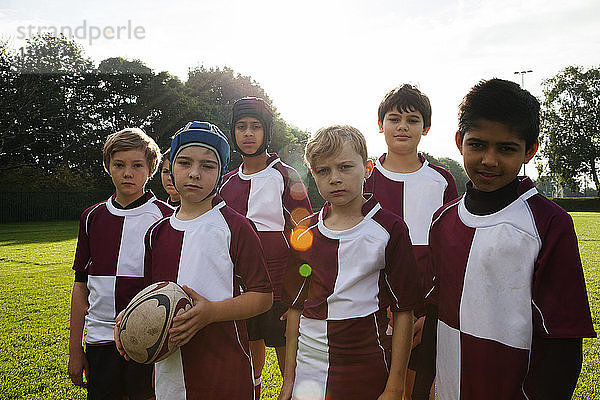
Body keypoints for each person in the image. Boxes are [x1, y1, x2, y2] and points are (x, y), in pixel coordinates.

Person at [429, 78, 596, 400]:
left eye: (506, 148)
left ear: (530, 151)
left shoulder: (549, 225)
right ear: (459, 141)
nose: (489, 160)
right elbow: (436, 309)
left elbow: (563, 338)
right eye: (477, 144)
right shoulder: (443, 220)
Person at [116, 121, 273, 400]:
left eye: (208, 166)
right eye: (185, 162)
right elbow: (150, 297)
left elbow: (262, 297)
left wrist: (211, 312)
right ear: (171, 167)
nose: (195, 174)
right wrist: (129, 321)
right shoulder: (157, 233)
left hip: (224, 373)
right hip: (170, 376)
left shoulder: (236, 227)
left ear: (222, 173)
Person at [279, 125, 421, 400]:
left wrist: (394, 388)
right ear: (314, 176)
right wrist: (289, 381)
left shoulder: (390, 229)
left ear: (367, 168)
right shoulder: (304, 234)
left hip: (365, 369)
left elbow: (404, 311)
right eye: (323, 171)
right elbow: (295, 310)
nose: (335, 178)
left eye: (345, 167)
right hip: (310, 373)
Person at [364, 84, 458, 400]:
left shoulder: (442, 180)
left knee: (416, 392)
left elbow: (449, 252)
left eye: (413, 120)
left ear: (426, 128)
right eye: (394, 119)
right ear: (380, 125)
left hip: (425, 312)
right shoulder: (363, 178)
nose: (403, 127)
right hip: (372, 308)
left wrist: (424, 310)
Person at [68, 127, 173, 399]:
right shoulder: (92, 217)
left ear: (151, 168)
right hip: (100, 339)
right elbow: (81, 286)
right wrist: (75, 350)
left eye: (137, 165)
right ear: (108, 167)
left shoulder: (167, 218)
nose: (128, 173)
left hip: (148, 337)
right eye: (119, 165)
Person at [219, 97, 312, 396]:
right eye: (241, 127)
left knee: (288, 365)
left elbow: (305, 235)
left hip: (279, 289)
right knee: (249, 354)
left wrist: (298, 292)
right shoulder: (226, 183)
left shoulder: (285, 176)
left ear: (266, 133)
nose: (248, 134)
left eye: (256, 127)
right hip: (240, 290)